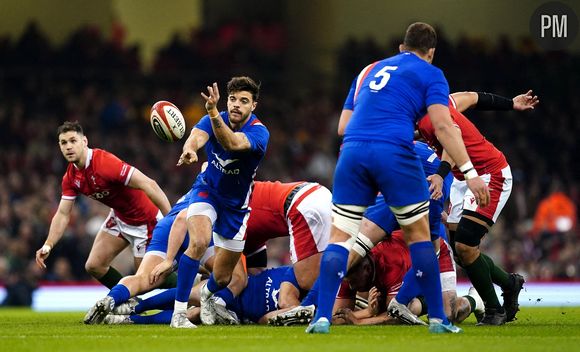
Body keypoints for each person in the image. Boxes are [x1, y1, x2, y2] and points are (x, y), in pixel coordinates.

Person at [307, 22, 489, 334]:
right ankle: (439, 322)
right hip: (393, 152)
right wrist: (470, 174)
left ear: (401, 47)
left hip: (351, 153)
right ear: (430, 53)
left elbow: (342, 127)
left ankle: (322, 318)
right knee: (420, 235)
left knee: (340, 239)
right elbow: (444, 127)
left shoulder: (369, 70)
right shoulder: (431, 73)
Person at [416, 90, 537, 325]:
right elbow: (473, 97)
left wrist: (440, 175)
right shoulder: (442, 104)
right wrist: (510, 103)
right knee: (459, 250)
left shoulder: (431, 119)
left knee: (464, 246)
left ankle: (494, 310)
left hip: (489, 174)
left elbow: (454, 139)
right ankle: (510, 283)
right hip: (463, 180)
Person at [170, 76, 269, 328]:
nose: (236, 105)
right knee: (199, 242)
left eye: (244, 101)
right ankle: (179, 315)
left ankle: (206, 295)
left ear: (253, 106)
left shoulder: (259, 133)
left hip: (236, 208)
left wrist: (214, 113)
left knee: (223, 278)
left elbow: (232, 143)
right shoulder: (213, 117)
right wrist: (190, 149)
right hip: (207, 191)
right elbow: (197, 135)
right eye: (233, 99)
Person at [35, 121, 171, 289]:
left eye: (73, 141)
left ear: (84, 141)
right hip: (119, 218)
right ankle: (125, 302)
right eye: (64, 143)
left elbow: (149, 184)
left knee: (148, 279)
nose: (68, 146)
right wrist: (48, 244)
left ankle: (195, 285)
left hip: (145, 221)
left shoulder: (105, 163)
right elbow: (63, 214)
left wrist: (171, 219)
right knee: (94, 265)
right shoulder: (70, 177)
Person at [331, 229, 484, 326]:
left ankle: (474, 300)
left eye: (352, 281)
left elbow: (397, 315)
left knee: (447, 317)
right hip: (406, 272)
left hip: (435, 255)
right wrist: (366, 313)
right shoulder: (351, 269)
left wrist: (360, 321)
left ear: (366, 268)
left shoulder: (390, 264)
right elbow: (337, 317)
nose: (351, 286)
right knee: (397, 306)